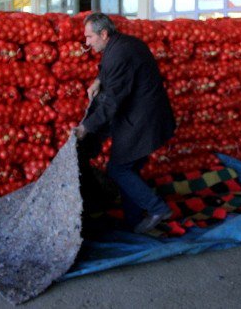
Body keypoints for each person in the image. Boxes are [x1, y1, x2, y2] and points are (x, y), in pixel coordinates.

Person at [74, 12, 176, 234]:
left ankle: (157, 208)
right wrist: (98, 81)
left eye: (90, 37)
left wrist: (86, 127)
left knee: (118, 169)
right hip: (145, 114)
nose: (87, 43)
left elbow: (112, 102)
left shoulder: (119, 53)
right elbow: (108, 71)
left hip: (141, 119)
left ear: (103, 33)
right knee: (131, 168)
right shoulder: (123, 45)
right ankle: (135, 221)